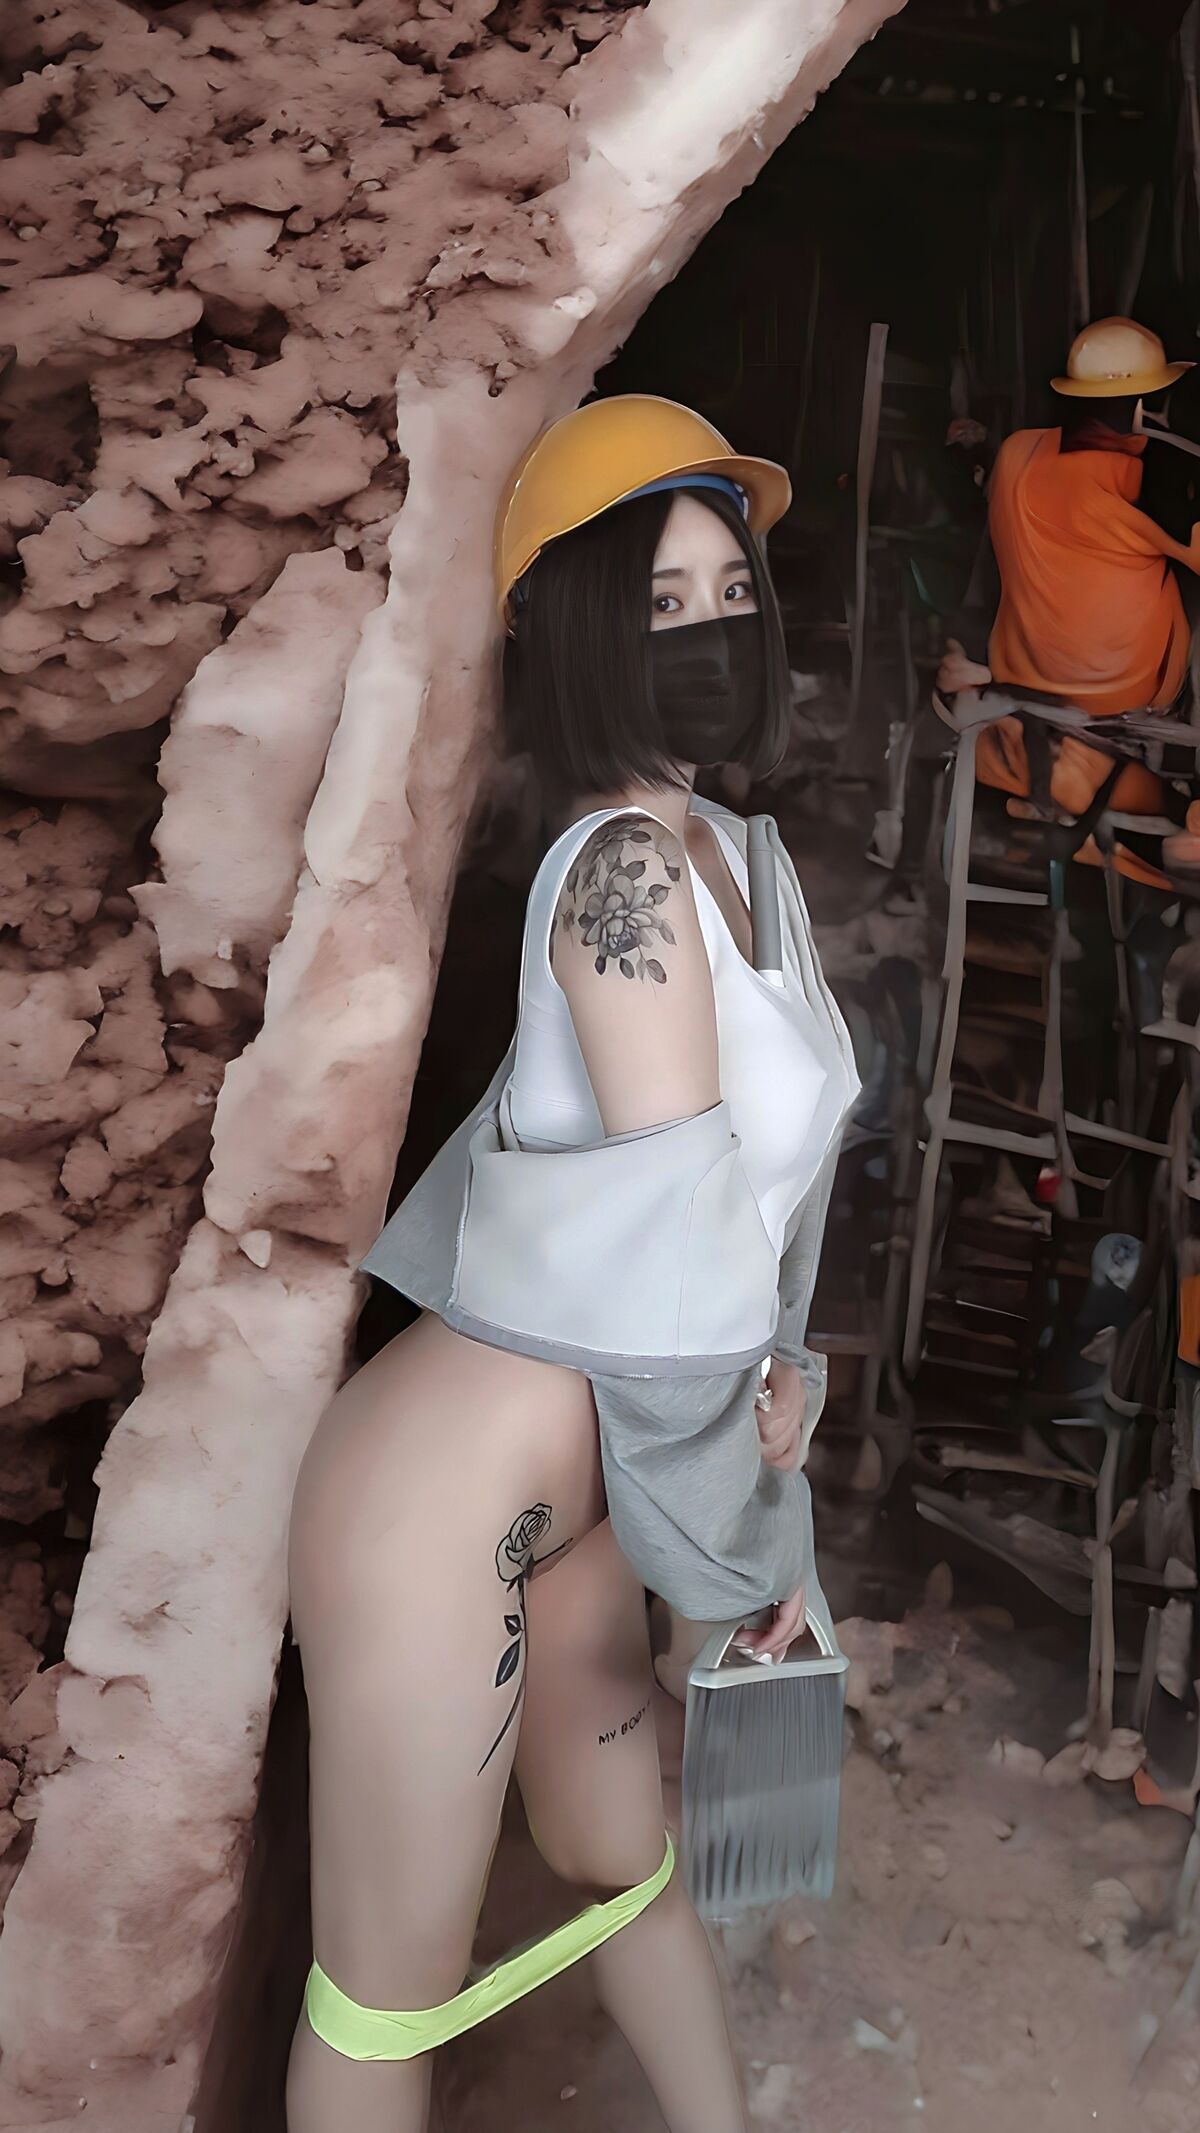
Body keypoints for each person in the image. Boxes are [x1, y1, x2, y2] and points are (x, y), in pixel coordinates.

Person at [284, 394, 859, 2133]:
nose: (711, 635)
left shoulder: (741, 862)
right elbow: (678, 1277)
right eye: (661, 605)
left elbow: (768, 1221)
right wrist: (750, 1557)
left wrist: (788, 1376)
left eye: (730, 593)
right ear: (583, 634)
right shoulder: (625, 877)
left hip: (604, 1476)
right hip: (451, 1506)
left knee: (628, 1864)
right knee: (385, 1996)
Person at [938, 318, 1200, 880]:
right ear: (1143, 407)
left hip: (1021, 682)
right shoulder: (1149, 484)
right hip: (1117, 701)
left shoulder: (1017, 452)